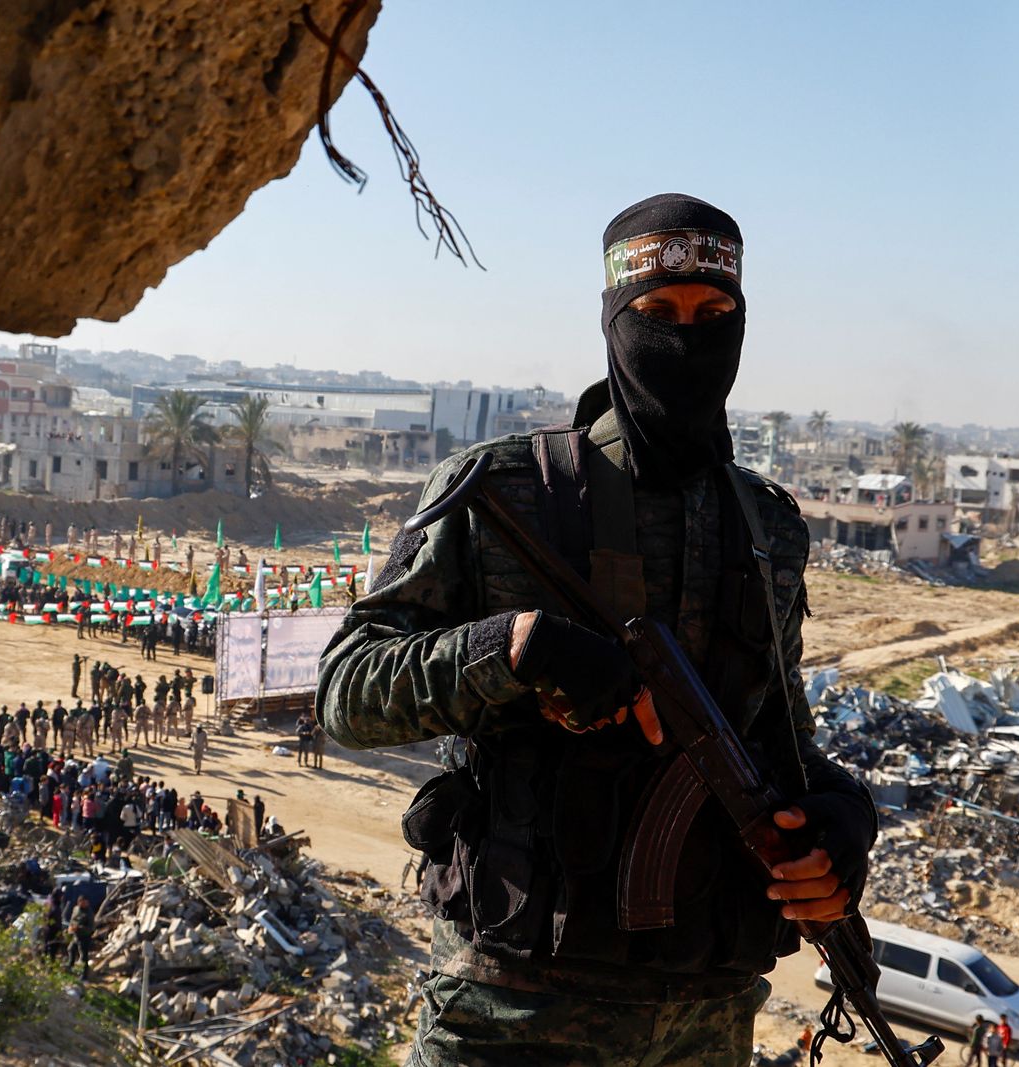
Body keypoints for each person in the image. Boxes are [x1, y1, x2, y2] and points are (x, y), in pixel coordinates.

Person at [317, 194, 877, 1066]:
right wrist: (510, 648)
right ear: (615, 320)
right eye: (657, 312)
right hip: (513, 1012)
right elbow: (347, 695)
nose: (686, 336)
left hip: (707, 1014)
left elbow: (778, 738)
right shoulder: (502, 490)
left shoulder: (768, 524)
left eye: (713, 313)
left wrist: (842, 819)